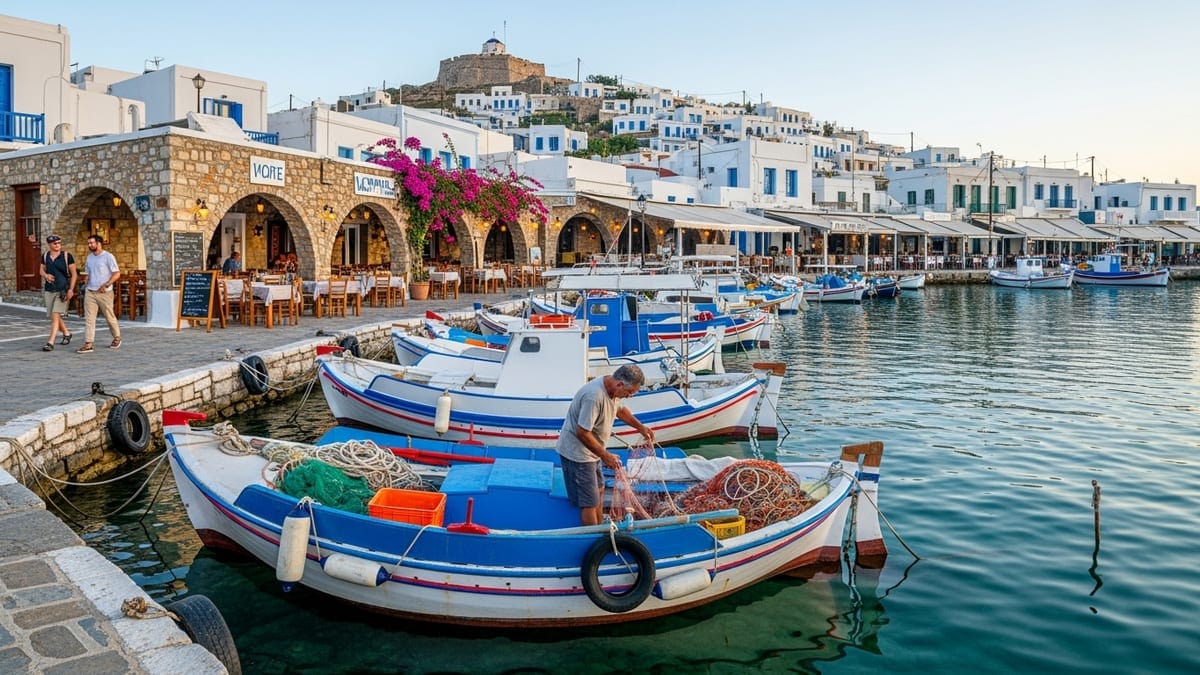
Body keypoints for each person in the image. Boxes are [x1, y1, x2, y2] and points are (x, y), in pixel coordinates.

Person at [555, 365, 655, 526]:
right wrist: (606, 456)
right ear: (620, 385)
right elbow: (582, 432)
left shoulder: (613, 389)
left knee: (600, 489)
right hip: (578, 454)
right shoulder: (594, 396)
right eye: (629, 393)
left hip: (593, 451)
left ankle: (600, 525)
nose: (629, 397)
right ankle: (595, 539)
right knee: (589, 502)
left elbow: (620, 410)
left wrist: (640, 427)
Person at [76, 234, 122, 354]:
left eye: (92, 243)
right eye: (89, 243)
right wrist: (85, 280)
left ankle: (117, 337)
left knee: (109, 316)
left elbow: (116, 273)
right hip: (90, 291)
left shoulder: (108, 257)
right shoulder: (89, 257)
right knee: (89, 319)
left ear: (99, 243)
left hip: (105, 293)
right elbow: (87, 272)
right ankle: (88, 343)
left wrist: (107, 284)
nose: (90, 245)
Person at [38, 234, 77, 351]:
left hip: (62, 290)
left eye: (59, 243)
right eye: (55, 243)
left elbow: (74, 274)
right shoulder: (45, 256)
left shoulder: (67, 256)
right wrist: (46, 275)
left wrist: (71, 289)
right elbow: (41, 270)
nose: (58, 245)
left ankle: (50, 342)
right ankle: (66, 333)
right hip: (49, 290)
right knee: (52, 315)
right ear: (49, 244)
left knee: (55, 316)